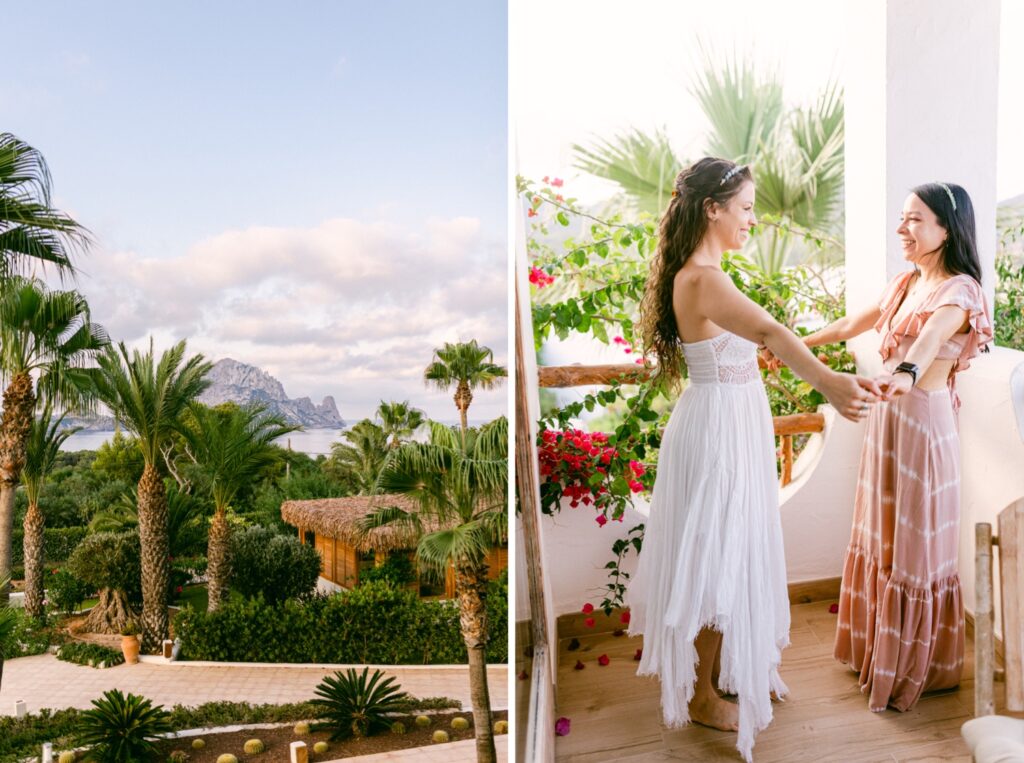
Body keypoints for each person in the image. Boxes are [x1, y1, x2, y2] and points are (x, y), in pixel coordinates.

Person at [624, 157, 881, 762]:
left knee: (726, 548)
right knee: (720, 553)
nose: (752, 219)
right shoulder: (705, 277)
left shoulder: (704, 274)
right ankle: (702, 697)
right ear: (712, 209)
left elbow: (743, 343)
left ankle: (715, 678)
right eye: (744, 208)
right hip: (717, 431)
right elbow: (769, 332)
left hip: (723, 421)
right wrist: (829, 384)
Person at [790, 182, 992, 712]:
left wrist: (902, 374)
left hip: (923, 425)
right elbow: (848, 323)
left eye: (916, 220)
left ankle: (913, 666)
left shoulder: (961, 290)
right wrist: (795, 347)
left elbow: (929, 342)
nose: (903, 229)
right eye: (902, 219)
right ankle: (875, 651)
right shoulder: (905, 282)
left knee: (915, 547)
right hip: (888, 425)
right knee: (882, 536)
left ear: (947, 228)